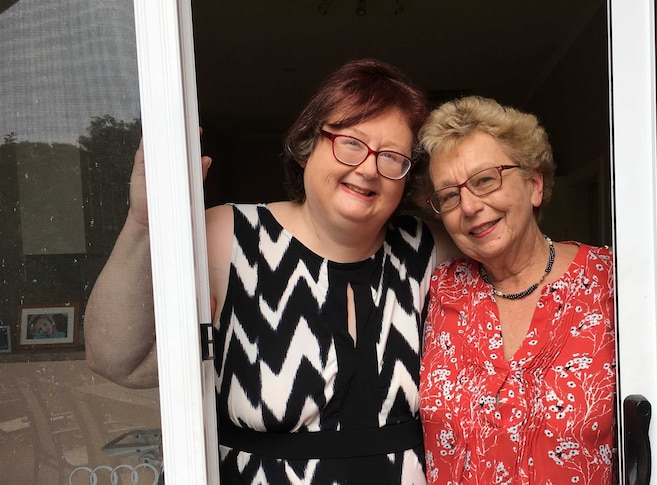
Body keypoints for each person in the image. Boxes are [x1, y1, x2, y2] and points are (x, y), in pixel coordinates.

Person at [85, 59, 459, 485]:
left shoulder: (430, 249)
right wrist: (144, 225)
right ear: (307, 145)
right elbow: (116, 361)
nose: (369, 167)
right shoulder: (229, 236)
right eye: (351, 143)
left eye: (391, 156)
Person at [416, 96, 657, 484]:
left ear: (534, 185)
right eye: (449, 196)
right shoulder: (441, 290)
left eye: (485, 180)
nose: (470, 206)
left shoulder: (609, 279)